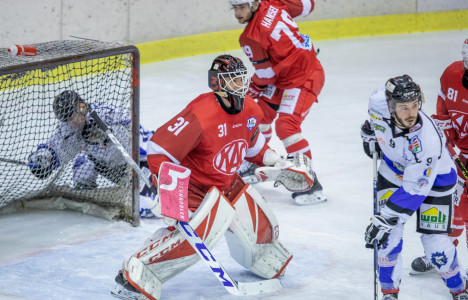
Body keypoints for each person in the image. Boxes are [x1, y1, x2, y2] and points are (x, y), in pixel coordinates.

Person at [111, 54, 313, 300]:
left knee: (262, 227)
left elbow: (253, 146)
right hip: (196, 191)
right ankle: (136, 274)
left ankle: (264, 260)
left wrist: (278, 162)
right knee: (195, 239)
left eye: (242, 79)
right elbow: (159, 151)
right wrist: (166, 185)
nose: (242, 85)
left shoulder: (250, 107)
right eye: (234, 80)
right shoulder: (200, 114)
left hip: (228, 184)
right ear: (218, 83)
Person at [362, 75, 468, 300]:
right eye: (404, 107)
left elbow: (414, 191)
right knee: (388, 236)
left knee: (435, 244)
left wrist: (385, 217)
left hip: (435, 180)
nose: (411, 113)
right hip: (393, 171)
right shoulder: (378, 101)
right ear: (390, 106)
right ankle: (389, 294)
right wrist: (370, 134)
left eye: (414, 105)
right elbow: (373, 123)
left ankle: (458, 291)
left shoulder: (427, 143)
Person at [410, 35, 468, 297]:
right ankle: (444, 255)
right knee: (450, 202)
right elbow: (443, 105)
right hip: (464, 155)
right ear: (466, 63)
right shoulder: (450, 74)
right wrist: (445, 130)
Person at [229, 0, 326, 205]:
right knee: (258, 116)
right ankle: (254, 162)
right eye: (234, 7)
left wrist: (247, 93)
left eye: (242, 7)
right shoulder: (274, 2)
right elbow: (308, 5)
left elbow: (265, 76)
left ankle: (310, 182)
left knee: (287, 126)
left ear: (254, 4)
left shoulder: (250, 37)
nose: (238, 12)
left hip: (304, 77)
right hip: (285, 76)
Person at [27, 90, 157, 218]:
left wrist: (108, 137)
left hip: (144, 163)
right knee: (82, 168)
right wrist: (43, 157)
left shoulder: (109, 114)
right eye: (67, 120)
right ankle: (93, 191)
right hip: (113, 169)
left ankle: (143, 182)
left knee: (145, 207)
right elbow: (56, 149)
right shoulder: (69, 127)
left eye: (72, 117)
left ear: (81, 106)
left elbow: (142, 142)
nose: (71, 123)